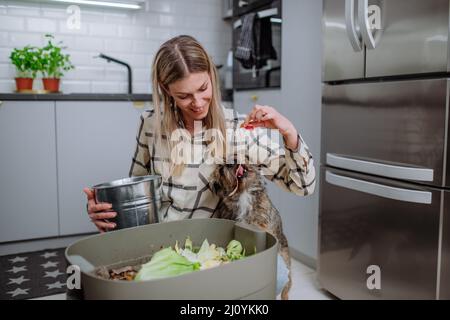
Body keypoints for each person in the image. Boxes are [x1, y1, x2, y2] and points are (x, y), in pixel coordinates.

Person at [83, 35, 316, 297]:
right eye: (184, 95)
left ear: (212, 78)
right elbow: (136, 195)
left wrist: (288, 131)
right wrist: (108, 210)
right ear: (165, 88)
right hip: (162, 248)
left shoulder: (237, 128)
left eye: (203, 88)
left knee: (277, 278)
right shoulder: (150, 124)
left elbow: (303, 185)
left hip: (212, 253)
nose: (197, 103)